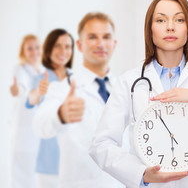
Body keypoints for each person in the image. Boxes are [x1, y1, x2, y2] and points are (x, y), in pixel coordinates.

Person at [89, 0, 188, 188]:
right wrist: (141, 174)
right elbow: (101, 144)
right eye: (161, 19)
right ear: (150, 30)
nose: (170, 26)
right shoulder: (129, 83)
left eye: (179, 19)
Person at [32, 12, 124, 188]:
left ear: (114, 43)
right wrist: (60, 114)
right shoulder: (63, 87)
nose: (100, 43)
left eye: (106, 37)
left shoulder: (125, 88)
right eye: (92, 37)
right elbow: (39, 124)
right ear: (80, 45)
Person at [25, 29, 74, 188]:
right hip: (49, 163)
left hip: (73, 159)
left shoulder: (76, 78)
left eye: (67, 46)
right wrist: (38, 92)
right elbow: (30, 99)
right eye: (57, 46)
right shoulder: (41, 78)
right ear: (49, 49)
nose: (63, 51)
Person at [8, 34, 44, 188]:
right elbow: (21, 87)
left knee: (35, 176)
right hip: (23, 132)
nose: (34, 52)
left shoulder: (42, 71)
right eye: (29, 48)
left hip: (38, 131)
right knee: (21, 175)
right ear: (23, 51)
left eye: (37, 48)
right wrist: (18, 90)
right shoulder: (20, 69)